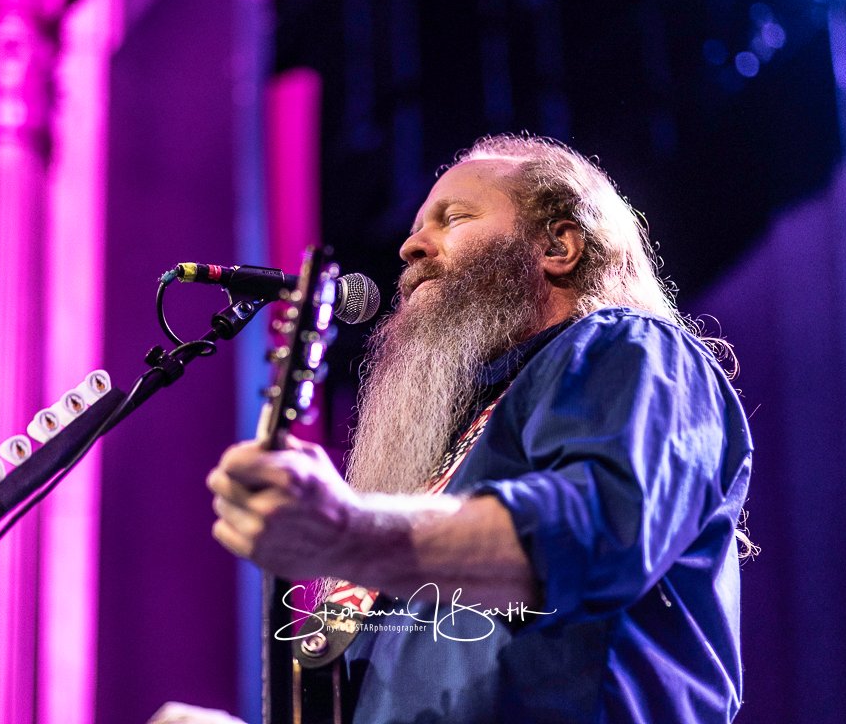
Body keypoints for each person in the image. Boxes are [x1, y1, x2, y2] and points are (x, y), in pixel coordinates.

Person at [157, 134, 753, 724]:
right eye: (417, 226)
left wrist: (349, 529)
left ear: (558, 246)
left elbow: (597, 531)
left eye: (454, 218)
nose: (411, 246)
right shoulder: (451, 457)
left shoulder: (632, 349)